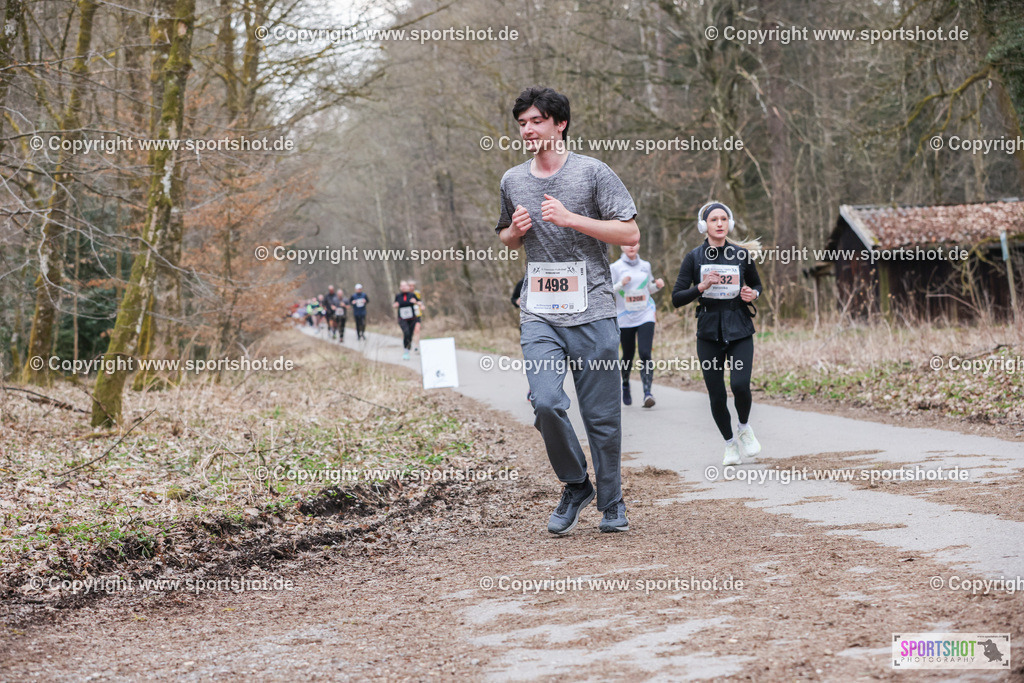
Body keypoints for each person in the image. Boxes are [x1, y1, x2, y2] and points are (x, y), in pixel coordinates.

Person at [495, 86, 639, 534]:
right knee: (546, 402)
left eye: (536, 121)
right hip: (539, 311)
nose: (527, 130)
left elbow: (630, 232)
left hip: (593, 308)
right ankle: (576, 483)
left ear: (560, 124)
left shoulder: (594, 173)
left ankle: (612, 503)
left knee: (602, 417)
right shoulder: (512, 180)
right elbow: (505, 235)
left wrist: (572, 219)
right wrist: (515, 234)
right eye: (521, 123)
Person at [671, 201, 763, 466]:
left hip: (740, 329)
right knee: (717, 394)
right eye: (714, 220)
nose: (720, 223)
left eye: (724, 219)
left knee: (740, 385)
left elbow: (756, 284)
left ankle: (744, 427)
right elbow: (677, 298)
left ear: (729, 224)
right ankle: (729, 444)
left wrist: (752, 293)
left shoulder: (741, 255)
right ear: (705, 226)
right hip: (709, 333)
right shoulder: (694, 258)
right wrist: (701, 286)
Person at [611, 245, 665, 408]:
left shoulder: (645, 266)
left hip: (645, 314)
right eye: (627, 244)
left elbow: (649, 288)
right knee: (628, 354)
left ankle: (647, 393)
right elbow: (608, 291)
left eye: (634, 243)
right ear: (622, 246)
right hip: (625, 317)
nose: (631, 247)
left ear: (639, 244)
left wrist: (658, 286)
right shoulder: (615, 267)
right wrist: (621, 283)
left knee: (645, 353)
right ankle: (625, 384)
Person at [393, 280, 420, 360]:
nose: (404, 287)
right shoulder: (398, 296)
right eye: (402, 286)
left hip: (412, 318)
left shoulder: (412, 295)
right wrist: (395, 305)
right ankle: (406, 350)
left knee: (410, 334)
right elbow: (394, 304)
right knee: (406, 332)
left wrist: (416, 302)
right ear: (400, 287)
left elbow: (419, 303)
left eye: (405, 286)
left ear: (408, 287)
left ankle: (408, 348)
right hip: (402, 318)